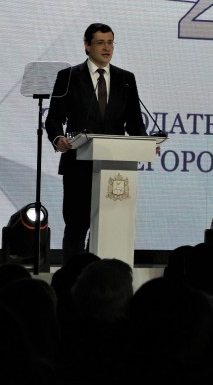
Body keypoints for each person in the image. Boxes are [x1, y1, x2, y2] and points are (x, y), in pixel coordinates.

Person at [45, 23, 148, 257]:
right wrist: (58, 138)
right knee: (77, 225)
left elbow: (134, 122)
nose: (106, 48)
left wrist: (145, 143)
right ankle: (73, 274)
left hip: (114, 167)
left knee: (108, 226)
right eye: (100, 43)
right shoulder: (68, 77)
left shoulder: (126, 79)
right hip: (78, 163)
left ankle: (102, 271)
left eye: (110, 43)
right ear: (87, 45)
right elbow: (53, 119)